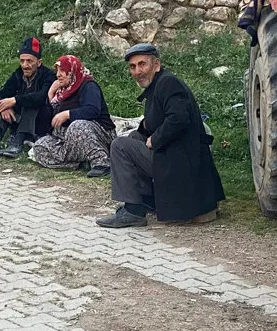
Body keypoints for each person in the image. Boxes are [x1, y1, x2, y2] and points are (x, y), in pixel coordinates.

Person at [96, 43, 225, 228]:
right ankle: (147, 200)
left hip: (182, 162)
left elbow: (179, 118)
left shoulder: (168, 83)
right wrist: (144, 132)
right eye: (133, 67)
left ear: (156, 65)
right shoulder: (159, 85)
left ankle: (133, 211)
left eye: (142, 64)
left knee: (119, 145)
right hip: (177, 156)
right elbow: (159, 118)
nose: (137, 71)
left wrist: (155, 139)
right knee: (133, 138)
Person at [31, 55, 116, 177]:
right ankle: (79, 162)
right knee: (40, 146)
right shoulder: (62, 92)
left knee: (77, 126)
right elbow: (49, 121)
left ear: (72, 72)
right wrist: (50, 95)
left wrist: (68, 114)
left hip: (98, 134)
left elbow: (92, 110)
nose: (58, 75)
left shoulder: (88, 85)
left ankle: (102, 163)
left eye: (63, 71)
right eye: (57, 71)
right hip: (68, 139)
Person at [0, 37, 56, 159]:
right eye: (22, 61)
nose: (25, 65)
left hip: (40, 121)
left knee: (31, 104)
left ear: (39, 62)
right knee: (5, 105)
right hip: (21, 118)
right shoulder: (18, 74)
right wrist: (3, 107)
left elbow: (41, 97)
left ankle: (17, 143)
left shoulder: (49, 76)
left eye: (29, 61)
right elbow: (0, 96)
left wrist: (15, 100)